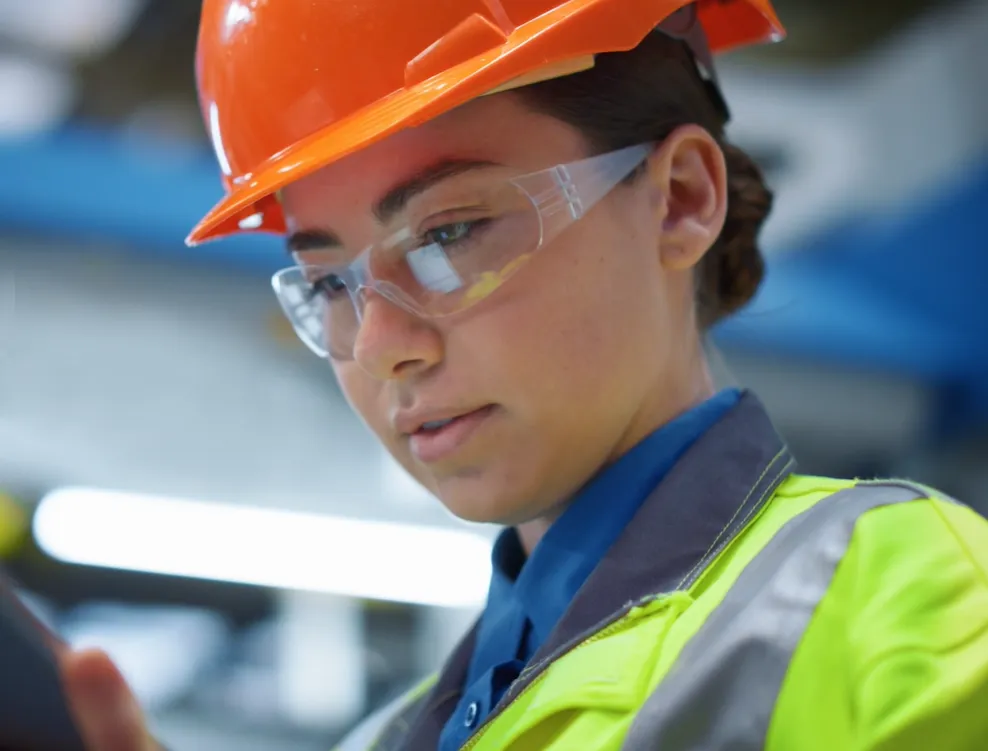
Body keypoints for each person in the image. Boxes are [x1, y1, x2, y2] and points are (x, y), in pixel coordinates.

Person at [61, 0, 988, 749]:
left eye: (447, 234)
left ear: (680, 199)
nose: (382, 344)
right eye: (328, 281)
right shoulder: (383, 738)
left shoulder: (910, 601)